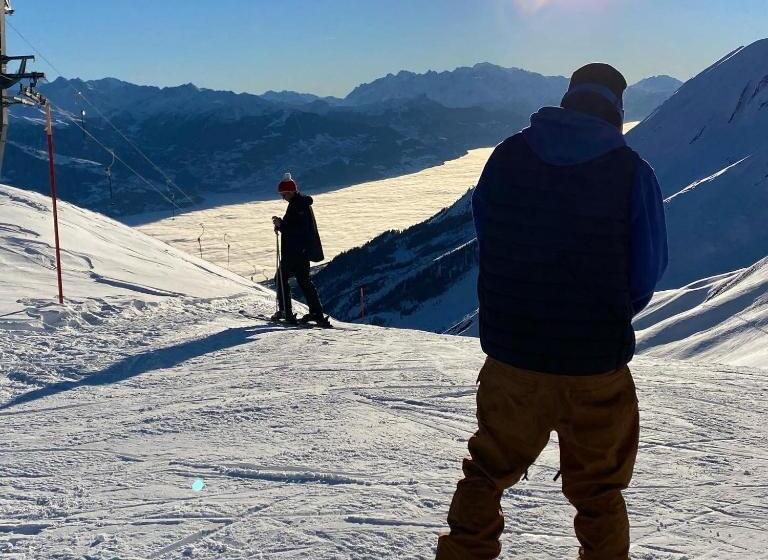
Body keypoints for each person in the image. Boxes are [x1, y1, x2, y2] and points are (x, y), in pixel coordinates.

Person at [435, 63, 668, 560]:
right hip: (595, 360)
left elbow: (488, 232)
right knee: (599, 490)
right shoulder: (631, 171)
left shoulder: (507, 155)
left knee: (486, 472)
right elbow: (648, 268)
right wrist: (607, 310)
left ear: (569, 99)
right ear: (616, 110)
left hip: (512, 353)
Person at [270, 172, 329, 326]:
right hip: (301, 251)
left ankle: (286, 311)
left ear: (290, 192)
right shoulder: (300, 204)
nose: (283, 197)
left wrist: (281, 225)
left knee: (281, 279)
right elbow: (298, 228)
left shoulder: (297, 205)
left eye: (283, 194)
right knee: (304, 281)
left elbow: (297, 231)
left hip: (295, 251)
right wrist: (282, 224)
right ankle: (316, 312)